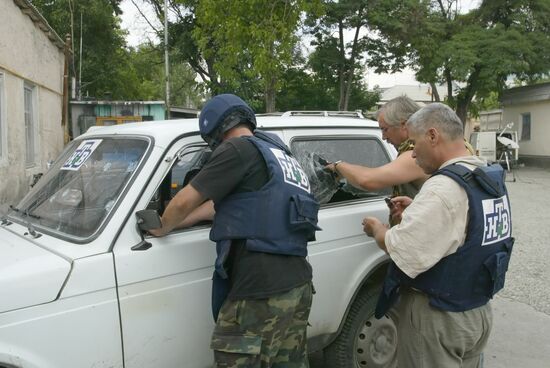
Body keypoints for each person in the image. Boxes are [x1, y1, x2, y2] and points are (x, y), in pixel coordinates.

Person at [149, 93, 320, 368]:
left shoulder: (237, 149)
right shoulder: (278, 154)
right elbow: (238, 205)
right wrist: (186, 220)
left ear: (214, 132)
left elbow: (183, 200)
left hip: (259, 292)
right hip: (297, 286)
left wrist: (163, 225)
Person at [362, 103, 514, 367]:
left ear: (432, 136)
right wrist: (418, 211)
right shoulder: (484, 176)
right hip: (476, 313)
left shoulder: (442, 188)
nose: (412, 155)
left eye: (414, 143)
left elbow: (402, 249)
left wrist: (378, 230)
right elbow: (467, 229)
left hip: (439, 316)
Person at [325, 96, 428, 223]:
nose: (384, 137)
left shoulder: (415, 155)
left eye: (385, 129)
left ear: (404, 125)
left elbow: (367, 180)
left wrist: (338, 166)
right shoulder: (412, 151)